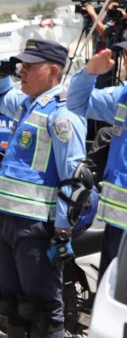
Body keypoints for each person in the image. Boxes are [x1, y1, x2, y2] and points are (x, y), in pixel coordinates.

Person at [0, 39, 87, 337]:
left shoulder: (63, 114)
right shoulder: (27, 103)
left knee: (41, 312)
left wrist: (63, 231)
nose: (21, 72)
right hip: (5, 220)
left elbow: (74, 177)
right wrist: (0, 71)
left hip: (36, 227)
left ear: (53, 71)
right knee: (11, 308)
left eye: (30, 66)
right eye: (21, 65)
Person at [66, 42, 127, 283]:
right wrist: (89, 73)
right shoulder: (123, 95)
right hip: (115, 222)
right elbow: (77, 103)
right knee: (108, 300)